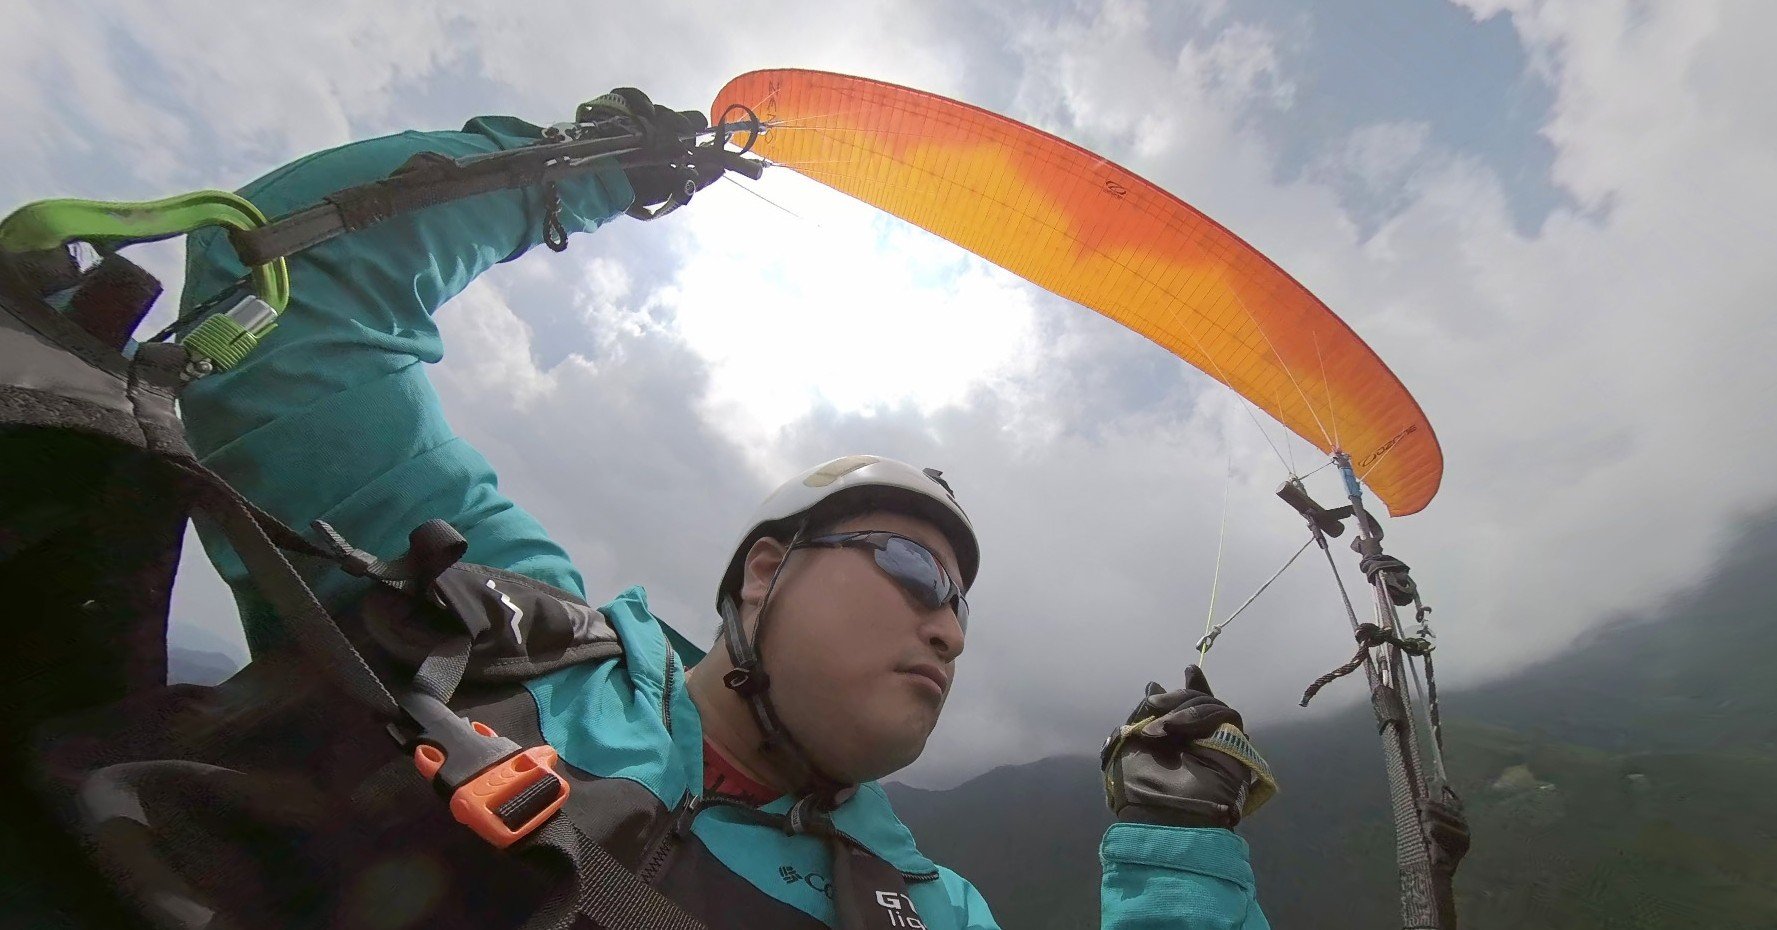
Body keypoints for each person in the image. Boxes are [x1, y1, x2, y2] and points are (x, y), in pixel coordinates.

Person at [177, 88, 1270, 930]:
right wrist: (594, 166)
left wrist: (1178, 851)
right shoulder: (509, 636)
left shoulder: (928, 909)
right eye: (911, 567)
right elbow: (283, 297)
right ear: (763, 574)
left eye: (961, 608)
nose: (946, 623)